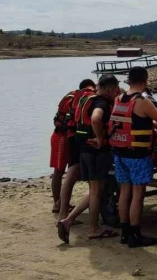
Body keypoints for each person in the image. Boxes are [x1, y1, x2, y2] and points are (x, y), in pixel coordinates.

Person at [58, 75, 121, 243]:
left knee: (95, 189)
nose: (116, 94)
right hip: (96, 152)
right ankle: (93, 228)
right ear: (109, 89)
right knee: (97, 191)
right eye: (115, 90)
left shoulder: (86, 98)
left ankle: (67, 220)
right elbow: (95, 118)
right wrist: (101, 138)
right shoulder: (100, 102)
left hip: (83, 149)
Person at [109, 67, 157, 248]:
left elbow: (130, 120)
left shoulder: (118, 99)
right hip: (138, 155)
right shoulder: (143, 101)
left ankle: (125, 233)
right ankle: (135, 234)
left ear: (129, 80)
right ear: (145, 80)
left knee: (124, 192)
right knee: (138, 194)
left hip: (119, 152)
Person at [57, 79, 96, 220]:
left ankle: (62, 211)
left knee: (70, 175)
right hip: (85, 139)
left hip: (71, 136)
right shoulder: (92, 96)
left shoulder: (74, 96)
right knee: (93, 182)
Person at [50, 88, 78, 213]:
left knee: (66, 170)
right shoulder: (75, 99)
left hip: (67, 137)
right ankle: (57, 204)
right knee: (59, 170)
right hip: (62, 137)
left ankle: (61, 203)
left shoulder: (74, 96)